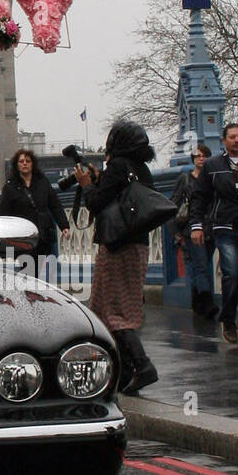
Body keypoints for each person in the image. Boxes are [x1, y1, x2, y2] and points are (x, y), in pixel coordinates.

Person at [76, 120, 159, 394]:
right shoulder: (142, 170)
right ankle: (121, 373)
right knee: (103, 306)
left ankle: (142, 365)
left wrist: (87, 185)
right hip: (139, 245)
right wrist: (102, 181)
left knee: (113, 310)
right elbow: (122, 197)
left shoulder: (119, 166)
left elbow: (96, 203)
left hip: (117, 247)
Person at [190, 122, 238, 345]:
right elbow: (200, 197)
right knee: (233, 273)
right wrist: (197, 226)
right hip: (225, 227)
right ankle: (228, 320)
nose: (237, 140)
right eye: (232, 137)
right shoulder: (212, 165)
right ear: (224, 141)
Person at [0, 148, 69, 270]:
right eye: (21, 161)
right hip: (22, 236)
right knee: (27, 270)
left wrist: (64, 226)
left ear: (33, 164)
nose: (24, 163)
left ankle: (35, 288)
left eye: (27, 161)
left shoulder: (42, 182)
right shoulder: (10, 187)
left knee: (38, 270)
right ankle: (29, 288)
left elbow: (55, 205)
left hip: (42, 234)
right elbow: (4, 214)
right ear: (16, 165)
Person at [171, 144, 218, 320]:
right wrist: (175, 231)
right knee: (201, 265)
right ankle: (207, 303)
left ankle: (197, 301)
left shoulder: (214, 179)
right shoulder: (185, 179)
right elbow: (174, 205)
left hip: (211, 228)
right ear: (193, 159)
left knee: (202, 264)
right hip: (191, 228)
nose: (201, 158)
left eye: (204, 155)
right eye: (198, 156)